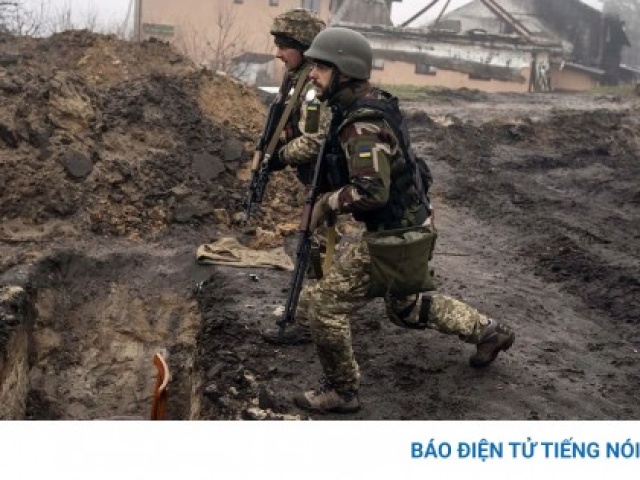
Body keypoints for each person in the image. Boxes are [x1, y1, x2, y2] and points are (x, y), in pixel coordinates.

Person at [290, 27, 516, 414]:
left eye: (321, 68)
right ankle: (488, 332)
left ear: (344, 71)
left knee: (325, 308)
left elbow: (371, 192)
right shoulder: (367, 104)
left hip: (396, 233)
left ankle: (342, 390)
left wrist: (326, 203)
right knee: (405, 308)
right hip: (410, 223)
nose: (312, 74)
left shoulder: (362, 125)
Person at [260, 8, 332, 346]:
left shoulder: (313, 88)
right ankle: (310, 313)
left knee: (316, 248)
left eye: (284, 46)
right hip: (321, 181)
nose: (278, 53)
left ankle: (309, 318)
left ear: (304, 47)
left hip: (331, 183)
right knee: (315, 248)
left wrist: (280, 156)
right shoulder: (299, 81)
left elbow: (314, 141)